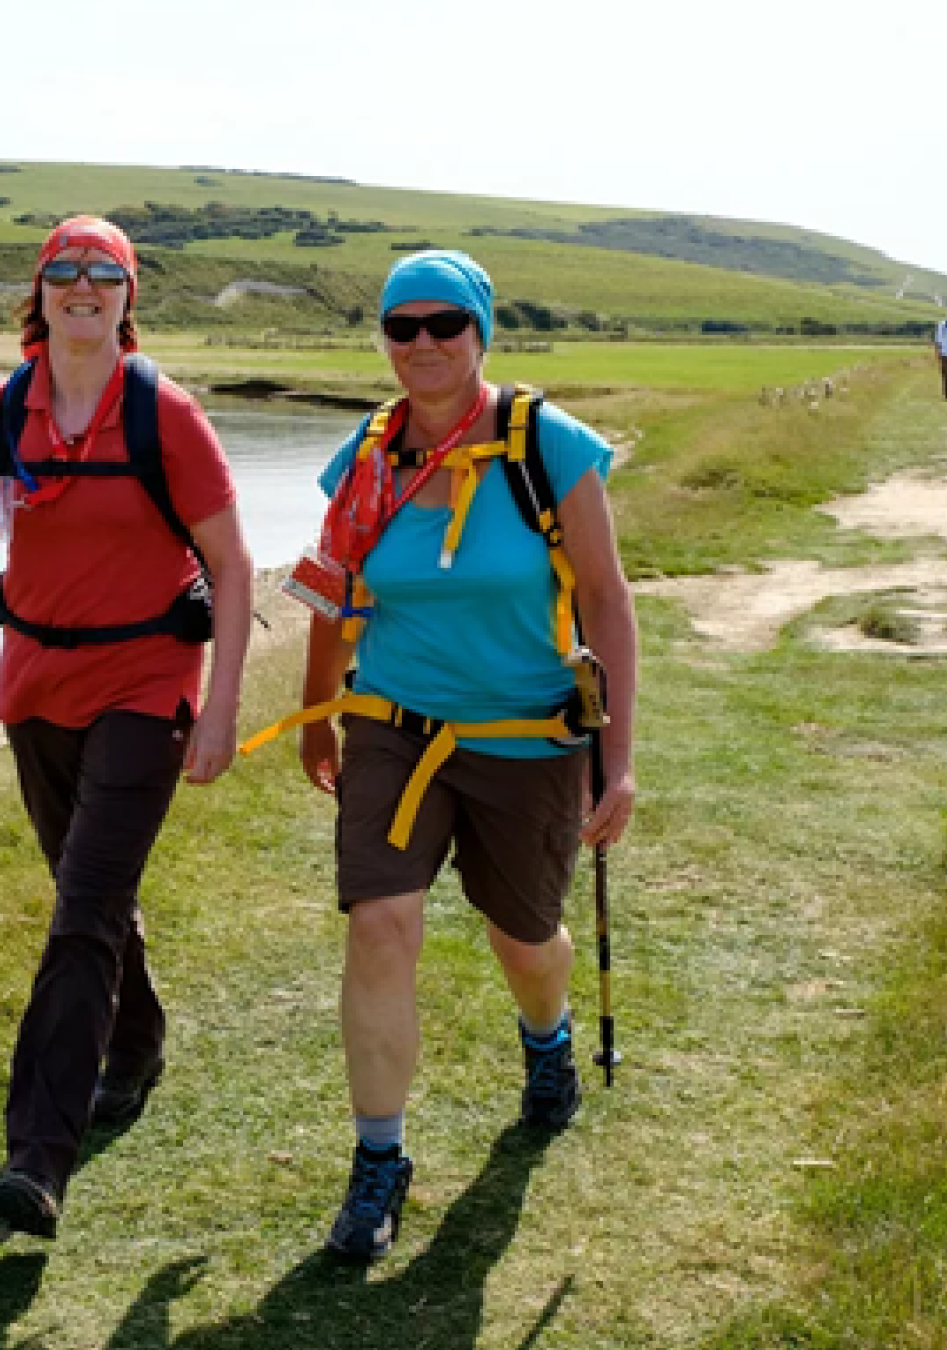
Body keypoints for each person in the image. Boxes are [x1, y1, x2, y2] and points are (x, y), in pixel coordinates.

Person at [0, 216, 255, 1239]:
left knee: (83, 910)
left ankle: (39, 1158)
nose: (83, 287)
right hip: (35, 686)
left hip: (148, 682)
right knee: (91, 897)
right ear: (37, 295)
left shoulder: (164, 415)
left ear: (130, 299)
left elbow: (233, 563)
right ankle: (137, 1048)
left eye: (105, 274)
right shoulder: (5, 413)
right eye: (64, 272)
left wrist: (218, 708)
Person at [252, 251, 638, 1262]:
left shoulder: (546, 447)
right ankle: (379, 1160)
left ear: (480, 335)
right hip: (394, 724)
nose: (421, 344)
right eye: (400, 326)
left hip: (527, 734)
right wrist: (318, 713)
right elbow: (334, 589)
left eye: (443, 325)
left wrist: (621, 759)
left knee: (525, 939)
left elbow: (607, 601)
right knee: (380, 925)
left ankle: (545, 1041)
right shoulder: (368, 455)